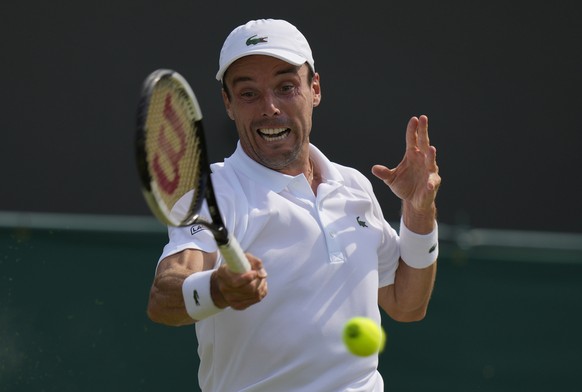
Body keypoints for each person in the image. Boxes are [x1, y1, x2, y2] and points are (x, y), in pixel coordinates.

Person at [147, 18, 441, 391]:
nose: (269, 107)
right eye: (248, 93)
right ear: (229, 103)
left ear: (314, 88)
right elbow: (164, 297)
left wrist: (418, 213)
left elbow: (407, 304)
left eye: (286, 87)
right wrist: (217, 290)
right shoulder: (213, 192)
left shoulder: (354, 188)